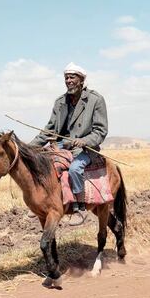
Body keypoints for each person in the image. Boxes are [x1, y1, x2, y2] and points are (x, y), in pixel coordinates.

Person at [29, 62, 108, 226]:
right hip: (60, 147)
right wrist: (30, 147)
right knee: (38, 165)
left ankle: (79, 208)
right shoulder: (60, 102)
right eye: (66, 77)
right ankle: (40, 203)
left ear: (81, 80)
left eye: (72, 77)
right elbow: (49, 130)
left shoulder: (95, 100)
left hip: (84, 149)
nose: (69, 80)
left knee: (75, 169)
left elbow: (101, 130)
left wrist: (84, 141)